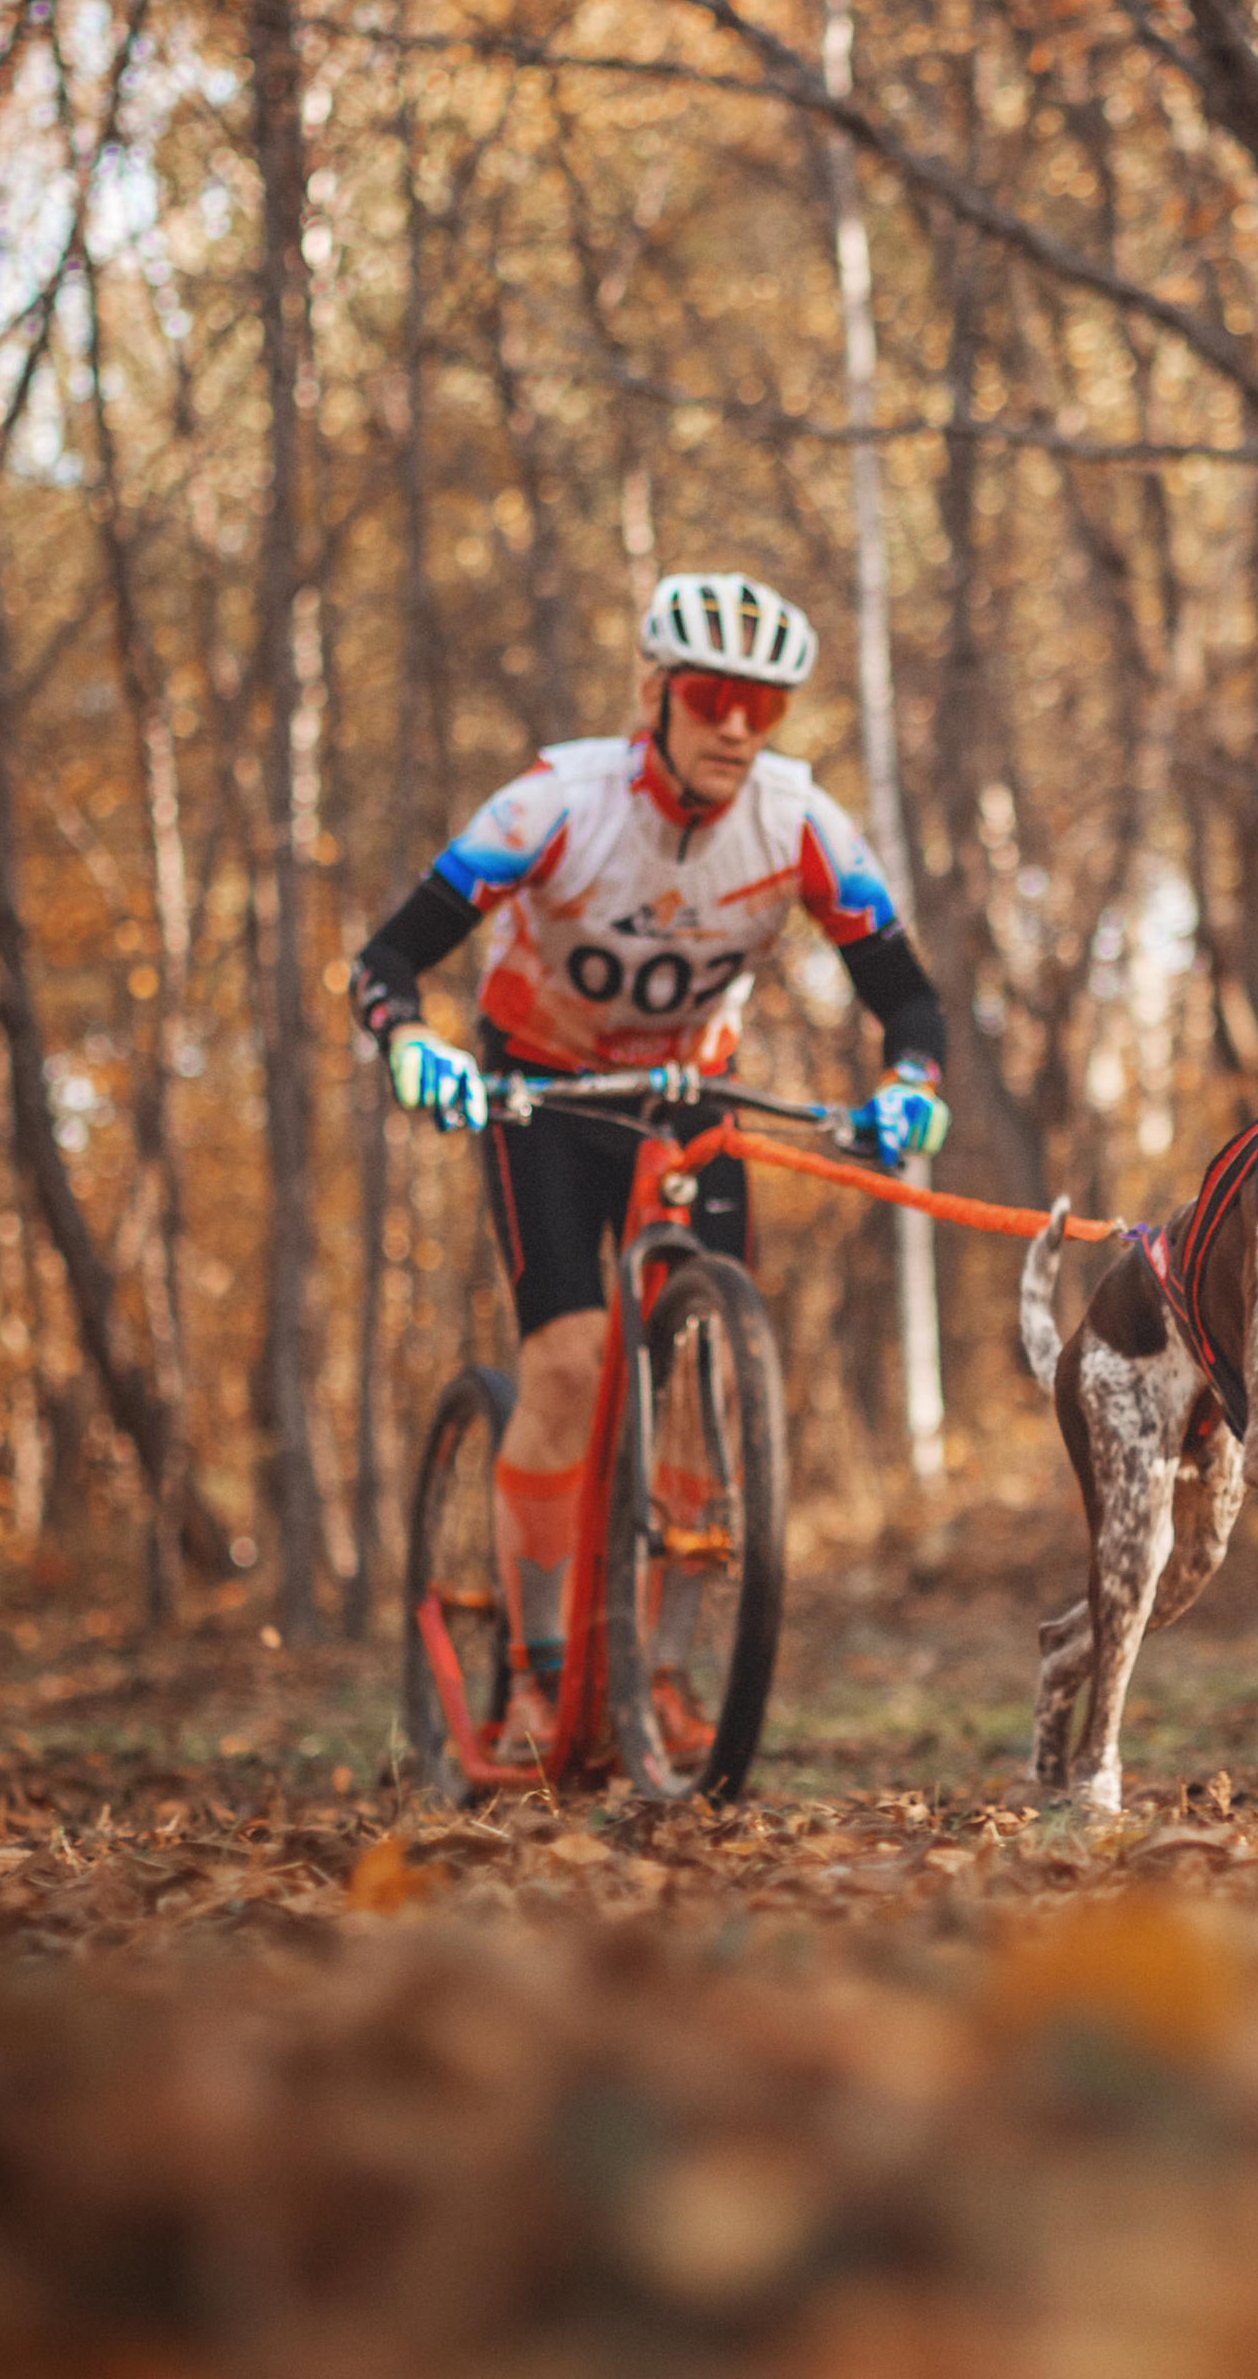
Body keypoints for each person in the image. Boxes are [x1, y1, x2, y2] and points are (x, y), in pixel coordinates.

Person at [350, 571, 948, 1758]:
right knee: (568, 1363)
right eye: (714, 694)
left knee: (706, 1372)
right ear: (656, 698)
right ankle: (536, 1671)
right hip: (541, 1089)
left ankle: (664, 1669)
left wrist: (912, 1087)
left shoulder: (800, 820)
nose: (736, 724)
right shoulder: (554, 802)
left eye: (762, 706)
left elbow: (907, 995)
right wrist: (410, 1044)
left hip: (688, 1095)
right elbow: (387, 957)